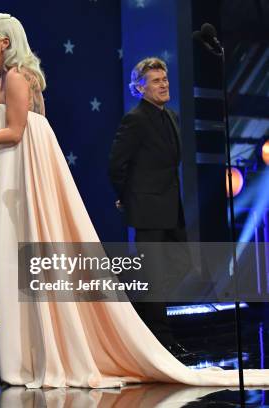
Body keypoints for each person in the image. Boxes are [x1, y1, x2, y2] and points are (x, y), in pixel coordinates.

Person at [0, 12, 269, 388]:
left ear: (5, 41)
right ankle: (42, 349)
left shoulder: (16, 76)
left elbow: (18, 131)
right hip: (25, 168)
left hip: (25, 166)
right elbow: (35, 126)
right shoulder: (8, 77)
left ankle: (56, 350)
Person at [108, 57, 189, 357]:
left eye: (165, 79)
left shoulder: (173, 116)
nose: (164, 84)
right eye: (156, 81)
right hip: (146, 208)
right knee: (153, 277)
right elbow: (116, 164)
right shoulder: (135, 119)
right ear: (140, 87)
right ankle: (163, 343)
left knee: (183, 265)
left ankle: (135, 304)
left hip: (171, 206)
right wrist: (126, 196)